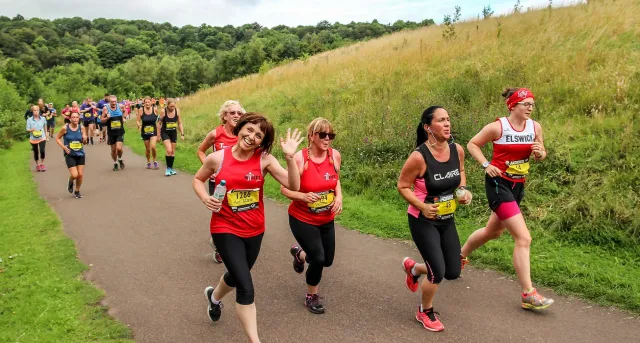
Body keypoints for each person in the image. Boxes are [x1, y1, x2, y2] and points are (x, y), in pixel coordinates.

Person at [193, 114, 303, 343]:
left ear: (262, 142)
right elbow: (197, 179)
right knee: (246, 285)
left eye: (258, 135)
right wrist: (205, 198)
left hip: (254, 229)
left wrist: (291, 158)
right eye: (249, 130)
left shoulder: (264, 160)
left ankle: (213, 297)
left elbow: (294, 185)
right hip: (224, 227)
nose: (251, 137)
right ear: (240, 128)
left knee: (236, 275)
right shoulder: (217, 158)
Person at [460, 88, 553, 311]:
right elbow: (473, 144)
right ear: (512, 106)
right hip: (498, 184)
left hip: (518, 186)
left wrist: (540, 153)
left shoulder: (535, 127)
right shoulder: (498, 127)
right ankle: (528, 294)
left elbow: (541, 155)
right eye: (525, 104)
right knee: (523, 238)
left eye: (532, 104)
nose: (530, 107)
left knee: (493, 231)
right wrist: (486, 165)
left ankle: (459, 256)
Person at [397, 106, 472, 332]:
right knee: (437, 273)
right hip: (423, 219)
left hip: (447, 218)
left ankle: (414, 269)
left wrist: (464, 191)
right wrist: (422, 205)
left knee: (452, 271)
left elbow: (460, 173)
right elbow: (402, 186)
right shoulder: (419, 157)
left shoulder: (456, 149)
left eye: (448, 119)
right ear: (428, 127)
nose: (448, 124)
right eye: (441, 120)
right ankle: (425, 311)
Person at [281, 117, 342, 314]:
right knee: (318, 258)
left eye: (330, 135)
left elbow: (335, 179)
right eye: (322, 135)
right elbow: (285, 189)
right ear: (311, 136)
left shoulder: (335, 156)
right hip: (302, 218)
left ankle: (300, 254)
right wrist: (303, 196)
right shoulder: (301, 158)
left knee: (327, 260)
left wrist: (339, 197)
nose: (327, 139)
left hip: (326, 218)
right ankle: (311, 295)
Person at [197, 100, 245, 264]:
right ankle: (219, 245)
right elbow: (201, 151)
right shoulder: (215, 134)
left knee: (238, 210)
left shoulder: (244, 134)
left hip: (239, 181)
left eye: (239, 113)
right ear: (224, 115)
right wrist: (208, 167)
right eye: (232, 113)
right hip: (219, 183)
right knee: (220, 212)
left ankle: (231, 242)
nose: (236, 116)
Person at [56, 111, 87, 199]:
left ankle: (77, 191)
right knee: (74, 175)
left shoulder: (82, 128)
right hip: (70, 154)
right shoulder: (65, 128)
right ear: (70, 119)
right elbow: (57, 138)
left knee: (80, 174)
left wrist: (85, 139)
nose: (75, 119)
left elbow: (84, 142)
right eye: (73, 117)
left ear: (79, 118)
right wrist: (64, 148)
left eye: (77, 117)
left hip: (80, 154)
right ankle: (70, 181)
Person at [158, 98, 185, 176]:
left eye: (174, 106)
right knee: (169, 150)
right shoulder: (163, 111)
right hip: (165, 132)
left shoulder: (177, 111)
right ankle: (168, 169)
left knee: (172, 152)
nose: (172, 108)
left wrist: (182, 134)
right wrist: (158, 135)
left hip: (173, 133)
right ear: (167, 105)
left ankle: (171, 168)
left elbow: (180, 123)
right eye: (171, 106)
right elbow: (159, 123)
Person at [101, 95, 126, 171]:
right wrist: (107, 118)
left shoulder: (120, 106)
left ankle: (120, 159)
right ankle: (115, 163)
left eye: (115, 101)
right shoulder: (105, 108)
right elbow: (102, 120)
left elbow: (126, 111)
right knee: (113, 149)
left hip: (120, 131)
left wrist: (124, 117)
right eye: (112, 102)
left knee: (119, 148)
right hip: (111, 132)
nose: (114, 103)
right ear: (109, 102)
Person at [137, 97, 160, 169]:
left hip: (153, 131)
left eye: (148, 102)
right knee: (147, 149)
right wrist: (139, 126)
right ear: (144, 103)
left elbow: (159, 118)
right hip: (145, 132)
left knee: (153, 146)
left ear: (151, 102)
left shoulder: (155, 109)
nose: (147, 103)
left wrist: (159, 126)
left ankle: (155, 161)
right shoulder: (141, 110)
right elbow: (137, 121)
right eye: (146, 102)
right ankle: (148, 161)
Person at [26, 105, 48, 172]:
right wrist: (31, 130)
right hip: (33, 138)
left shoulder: (43, 119)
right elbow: (27, 129)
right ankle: (37, 165)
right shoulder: (29, 120)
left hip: (42, 137)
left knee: (42, 151)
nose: (36, 112)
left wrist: (46, 134)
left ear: (39, 111)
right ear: (32, 111)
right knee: (36, 152)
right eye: (34, 110)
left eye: (37, 110)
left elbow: (45, 126)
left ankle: (42, 163)